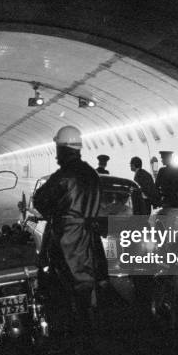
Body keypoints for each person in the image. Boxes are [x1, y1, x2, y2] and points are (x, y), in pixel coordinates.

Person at [33, 126, 108, 342]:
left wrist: (55, 215)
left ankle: (74, 338)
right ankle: (91, 333)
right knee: (89, 286)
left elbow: (40, 199)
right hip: (90, 239)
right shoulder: (92, 174)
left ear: (62, 148)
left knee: (63, 288)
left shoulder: (64, 175)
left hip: (67, 239)